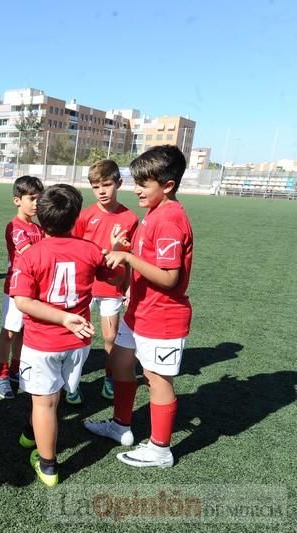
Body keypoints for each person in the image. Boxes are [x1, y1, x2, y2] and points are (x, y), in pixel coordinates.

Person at [84, 145, 194, 469]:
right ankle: (121, 426)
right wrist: (129, 249)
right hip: (139, 311)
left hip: (162, 317)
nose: (137, 190)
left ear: (168, 185)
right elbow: (152, 260)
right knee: (119, 362)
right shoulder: (154, 213)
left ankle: (160, 449)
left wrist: (129, 257)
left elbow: (171, 277)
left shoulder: (171, 219)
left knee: (157, 380)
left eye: (144, 184)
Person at [11, 184, 124, 487]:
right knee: (53, 395)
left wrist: (62, 317)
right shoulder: (89, 250)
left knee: (45, 403)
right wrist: (115, 251)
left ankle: (47, 465)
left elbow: (23, 301)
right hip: (78, 343)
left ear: (41, 214)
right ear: (75, 218)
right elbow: (114, 277)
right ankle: (31, 434)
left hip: (43, 343)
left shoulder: (31, 255)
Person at [67, 159, 138, 405]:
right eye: (96, 187)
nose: (102, 191)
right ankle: (71, 384)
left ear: (119, 183)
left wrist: (128, 286)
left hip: (112, 288)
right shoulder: (85, 216)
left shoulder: (130, 218)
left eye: (107, 185)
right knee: (78, 337)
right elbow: (74, 250)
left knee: (110, 337)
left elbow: (130, 258)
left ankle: (109, 378)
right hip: (85, 287)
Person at [0, 176, 44, 400]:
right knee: (9, 331)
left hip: (34, 290)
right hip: (15, 289)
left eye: (39, 199)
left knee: (24, 331)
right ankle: (1, 375)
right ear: (17, 200)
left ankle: (15, 370)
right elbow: (31, 254)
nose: (36, 204)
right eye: (31, 199)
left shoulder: (39, 228)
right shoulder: (14, 227)